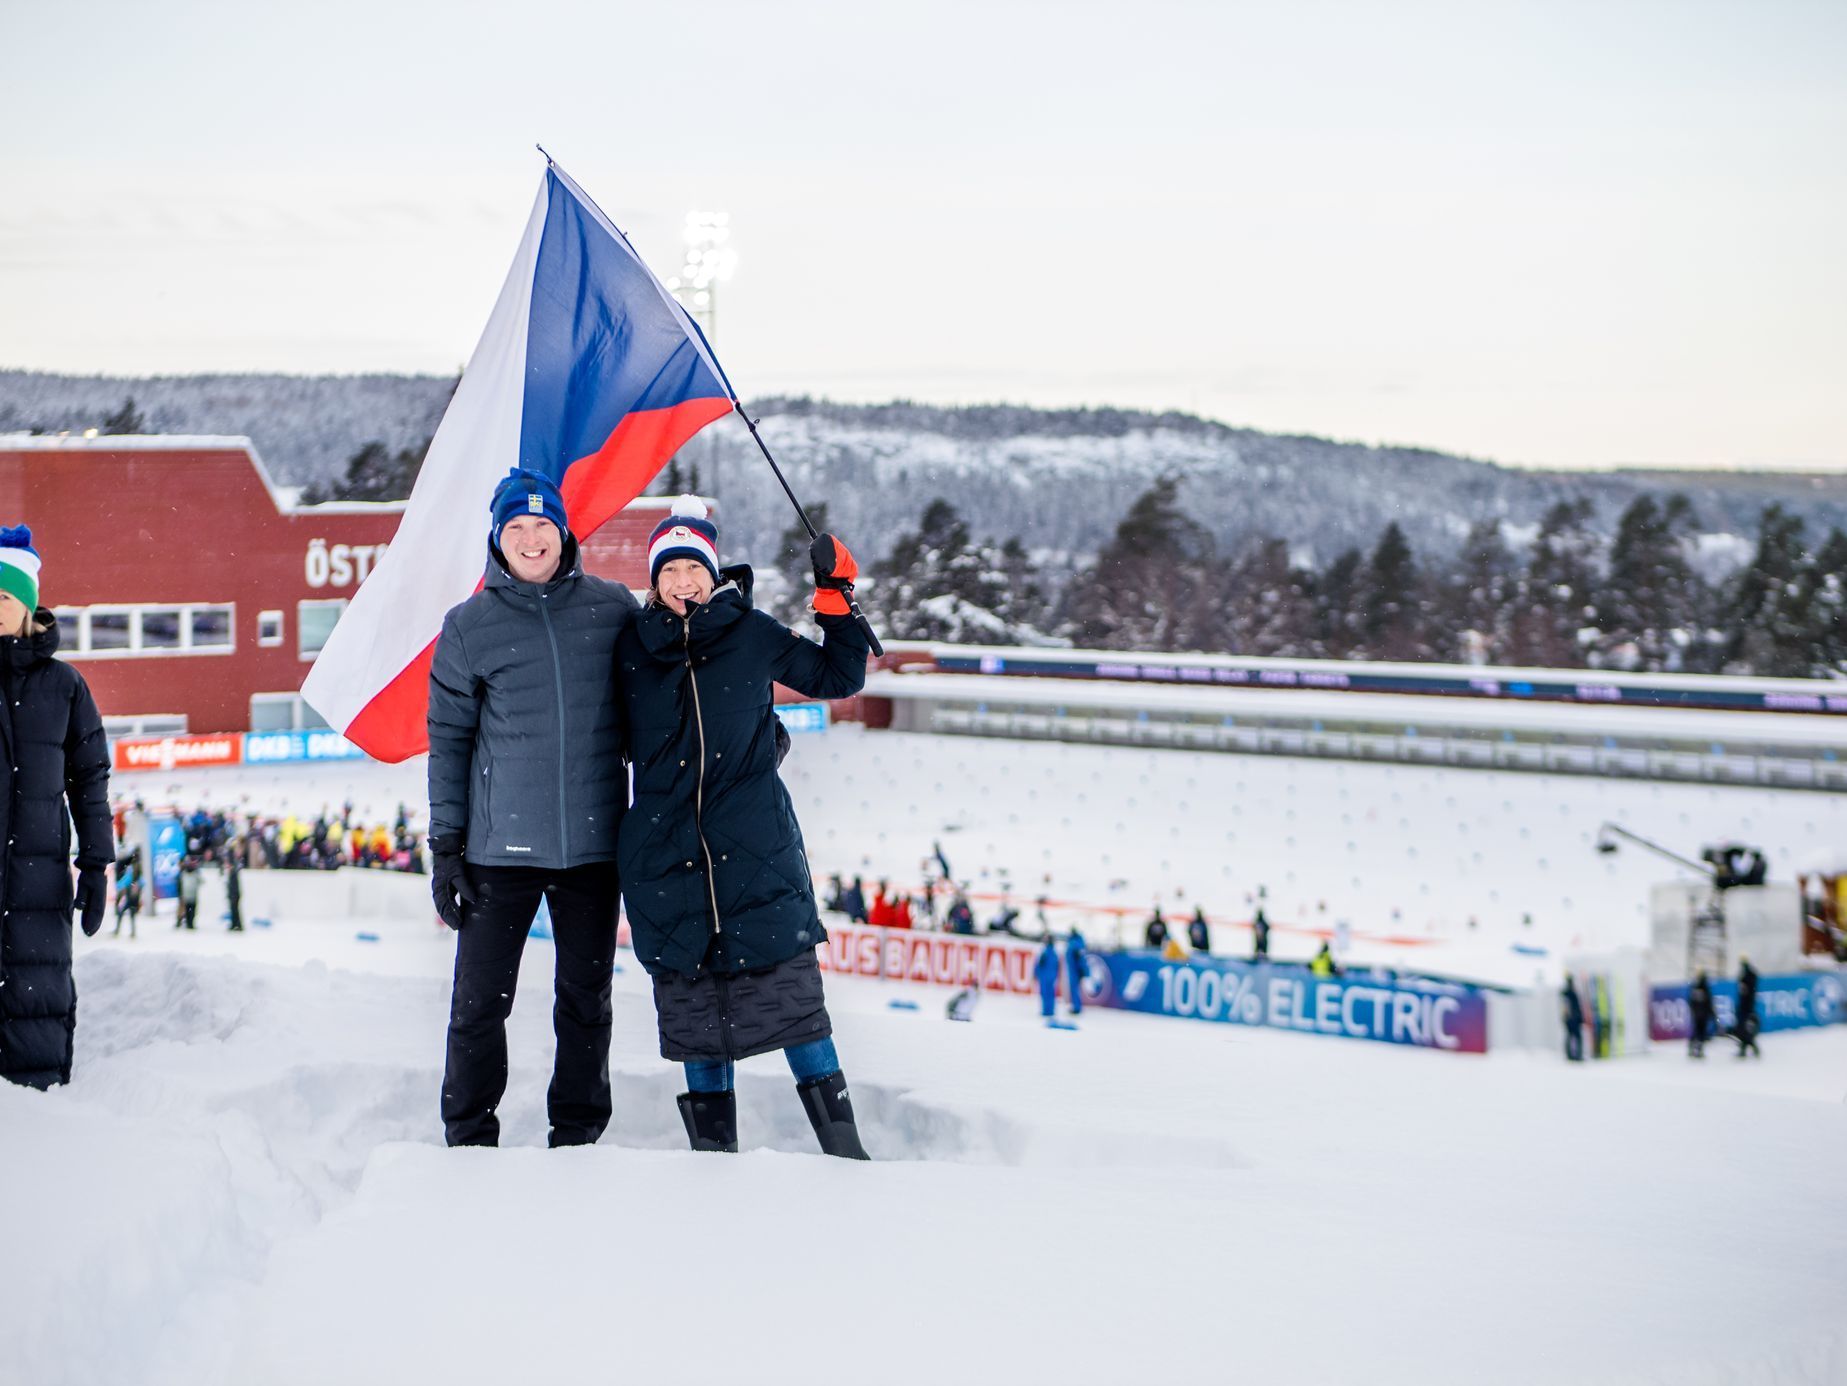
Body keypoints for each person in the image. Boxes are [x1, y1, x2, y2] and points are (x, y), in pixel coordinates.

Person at [615, 499, 872, 1158]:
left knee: (793, 1003)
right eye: (668, 569)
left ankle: (845, 1154)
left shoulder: (749, 631)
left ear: (711, 572)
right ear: (653, 579)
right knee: (695, 1018)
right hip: (666, 861)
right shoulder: (631, 648)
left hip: (755, 852)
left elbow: (837, 676)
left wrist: (836, 597)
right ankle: (713, 1162)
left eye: (691, 567)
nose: (681, 582)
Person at [427, 467, 637, 1149]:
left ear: (564, 530)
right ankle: (468, 1139)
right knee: (478, 1006)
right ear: (496, 537)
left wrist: (742, 730)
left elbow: (667, 690)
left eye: (541, 524)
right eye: (515, 526)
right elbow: (449, 742)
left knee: (586, 1005)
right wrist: (445, 847)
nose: (530, 538)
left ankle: (577, 1137)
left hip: (595, 849)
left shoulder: (612, 609)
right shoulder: (468, 626)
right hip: (498, 853)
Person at [0, 525, 112, 1088]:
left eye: (2, 596)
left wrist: (96, 864)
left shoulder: (66, 687)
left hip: (39, 882)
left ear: (26, 604)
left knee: (35, 1001)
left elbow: (90, 783)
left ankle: (42, 1118)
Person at [1733, 957, 1761, 1058]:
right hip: (1745, 1007)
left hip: (1746, 1008)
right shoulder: (1746, 975)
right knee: (1743, 1030)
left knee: (1744, 1029)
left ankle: (1749, 1048)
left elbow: (1748, 991)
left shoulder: (1748, 975)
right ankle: (1745, 1049)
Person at [112, 854, 141, 938]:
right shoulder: (133, 876)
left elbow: (124, 884)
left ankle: (121, 930)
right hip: (131, 898)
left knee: (124, 913)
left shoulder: (133, 877)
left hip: (131, 899)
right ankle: (132, 932)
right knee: (130, 914)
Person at [1688, 970, 1714, 1058]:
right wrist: (1712, 1014)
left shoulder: (1694, 987)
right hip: (1703, 1014)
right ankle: (1699, 1050)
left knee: (1696, 1031)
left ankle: (1692, 1048)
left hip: (1697, 1013)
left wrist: (1693, 1011)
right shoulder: (1706, 988)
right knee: (1701, 1033)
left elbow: (1691, 1002)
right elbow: (1709, 1003)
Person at [1035, 934, 1061, 1021]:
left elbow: (1039, 965)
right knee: (1051, 993)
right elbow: (1057, 966)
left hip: (1045, 976)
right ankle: (1051, 1011)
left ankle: (1046, 1011)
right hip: (1052, 976)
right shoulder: (1054, 953)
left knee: (1045, 993)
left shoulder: (1045, 952)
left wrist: (1036, 974)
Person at [1065, 926, 1089, 1016]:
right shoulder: (1077, 943)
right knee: (1074, 989)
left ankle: (1077, 1007)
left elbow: (1080, 959)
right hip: (1074, 970)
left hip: (1075, 971)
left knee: (1074, 989)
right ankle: (1075, 1006)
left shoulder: (1075, 945)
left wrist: (1082, 970)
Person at [1560, 974, 1584, 1062]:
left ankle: (1571, 1055)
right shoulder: (1570, 993)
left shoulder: (1565, 993)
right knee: (1576, 1037)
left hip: (1570, 1018)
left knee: (1570, 1036)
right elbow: (1571, 1007)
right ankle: (1576, 1055)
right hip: (1573, 1019)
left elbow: (1565, 1008)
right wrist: (1575, 1018)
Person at [176, 854, 201, 930]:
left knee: (187, 908)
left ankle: (186, 922)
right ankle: (187, 922)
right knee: (189, 909)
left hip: (186, 893)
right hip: (188, 893)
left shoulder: (184, 872)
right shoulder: (187, 872)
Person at [224, 853, 244, 932]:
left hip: (234, 895)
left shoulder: (233, 874)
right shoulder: (232, 874)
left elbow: (234, 887)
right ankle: (235, 924)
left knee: (235, 911)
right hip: (233, 895)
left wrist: (232, 895)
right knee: (234, 911)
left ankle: (237, 925)